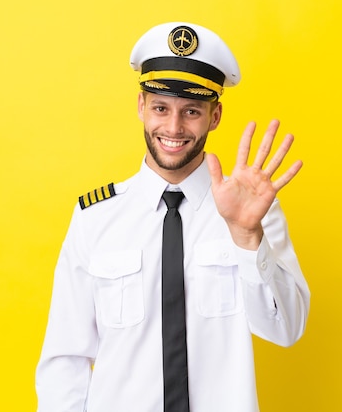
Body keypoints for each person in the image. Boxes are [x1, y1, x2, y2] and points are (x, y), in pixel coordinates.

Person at [35, 21, 311, 412]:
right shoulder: (94, 218)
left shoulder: (252, 211)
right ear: (140, 107)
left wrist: (248, 238)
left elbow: (287, 330)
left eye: (192, 111)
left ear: (215, 116)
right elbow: (66, 358)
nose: (174, 127)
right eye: (161, 108)